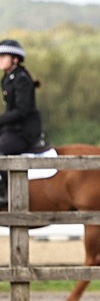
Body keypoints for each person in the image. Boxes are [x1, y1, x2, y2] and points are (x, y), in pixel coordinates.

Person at [0, 39, 46, 202]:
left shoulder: (21, 79)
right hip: (13, 128)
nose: (0, 59)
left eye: (3, 56)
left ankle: (5, 191)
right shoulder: (7, 78)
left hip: (24, 131)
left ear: (15, 59)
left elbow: (21, 111)